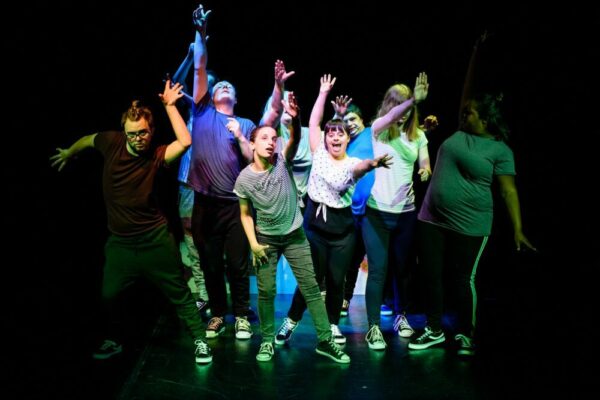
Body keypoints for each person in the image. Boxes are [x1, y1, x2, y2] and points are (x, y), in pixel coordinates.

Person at [49, 81, 212, 364]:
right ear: (123, 132)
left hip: (155, 241)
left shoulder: (158, 155)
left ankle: (200, 340)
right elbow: (88, 139)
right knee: (109, 295)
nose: (138, 139)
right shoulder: (110, 142)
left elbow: (185, 142)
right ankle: (115, 339)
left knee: (179, 294)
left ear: (152, 131)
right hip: (121, 244)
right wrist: (69, 152)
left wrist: (170, 106)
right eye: (132, 134)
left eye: (144, 133)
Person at [408, 33, 536, 357]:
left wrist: (518, 229)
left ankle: (466, 332)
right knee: (431, 275)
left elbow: (508, 191)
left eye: (471, 113)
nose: (465, 115)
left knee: (462, 279)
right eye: (464, 112)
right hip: (431, 217)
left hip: (470, 223)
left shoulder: (499, 150)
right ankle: (435, 330)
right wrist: (475, 53)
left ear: (486, 119)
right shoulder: (461, 131)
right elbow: (467, 89)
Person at [274, 75, 393, 346]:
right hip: (315, 224)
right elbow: (314, 122)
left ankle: (331, 326)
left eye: (340, 133)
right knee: (311, 279)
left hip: (342, 228)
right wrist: (322, 92)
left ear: (346, 138)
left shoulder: (352, 161)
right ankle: (291, 320)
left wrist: (372, 163)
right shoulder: (318, 153)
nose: (335, 136)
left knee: (337, 281)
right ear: (326, 139)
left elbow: (360, 169)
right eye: (332, 133)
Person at [234, 92, 350, 364]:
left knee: (311, 287)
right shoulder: (245, 179)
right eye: (264, 138)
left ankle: (325, 340)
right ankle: (266, 341)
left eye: (273, 138)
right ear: (251, 144)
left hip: (295, 236)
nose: (270, 142)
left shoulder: (282, 162)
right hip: (266, 241)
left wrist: (296, 120)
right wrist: (252, 243)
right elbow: (245, 215)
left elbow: (295, 138)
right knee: (266, 291)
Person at [187, 5, 257, 340]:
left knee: (238, 264)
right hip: (204, 203)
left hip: (235, 205)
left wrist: (242, 136)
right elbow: (200, 66)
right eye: (220, 85)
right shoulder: (201, 112)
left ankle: (241, 315)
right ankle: (218, 314)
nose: (224, 86)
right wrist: (200, 34)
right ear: (213, 95)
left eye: (230, 85)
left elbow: (254, 156)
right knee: (211, 265)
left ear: (235, 97)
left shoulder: (245, 123)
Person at [362, 72, 432, 350]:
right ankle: (373, 327)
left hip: (406, 213)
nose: (402, 111)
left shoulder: (419, 136)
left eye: (407, 106)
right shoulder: (378, 128)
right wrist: (414, 99)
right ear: (389, 104)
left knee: (404, 269)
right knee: (378, 270)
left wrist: (425, 169)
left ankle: (400, 316)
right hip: (377, 213)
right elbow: (391, 119)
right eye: (397, 103)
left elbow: (424, 162)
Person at [171, 42, 217, 316]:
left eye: (210, 85)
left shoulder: (220, 115)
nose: (204, 90)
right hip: (188, 184)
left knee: (212, 240)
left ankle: (215, 293)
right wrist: (189, 56)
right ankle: (202, 293)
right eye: (202, 83)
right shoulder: (190, 113)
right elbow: (174, 83)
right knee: (191, 238)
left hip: (213, 188)